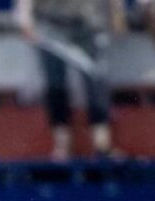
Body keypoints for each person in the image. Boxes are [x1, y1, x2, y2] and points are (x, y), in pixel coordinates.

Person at [14, 0, 128, 159]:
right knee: (55, 84)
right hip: (50, 22)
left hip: (87, 22)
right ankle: (62, 146)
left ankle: (102, 145)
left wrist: (117, 13)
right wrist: (24, 17)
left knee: (96, 83)